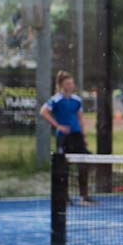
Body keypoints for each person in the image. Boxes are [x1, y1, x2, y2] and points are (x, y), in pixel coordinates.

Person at [39, 70, 93, 205]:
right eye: (67, 83)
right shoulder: (55, 99)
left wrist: (83, 135)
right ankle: (64, 197)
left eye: (72, 83)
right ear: (61, 85)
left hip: (77, 136)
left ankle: (83, 197)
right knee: (63, 167)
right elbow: (43, 112)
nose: (71, 85)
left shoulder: (77, 100)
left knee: (84, 165)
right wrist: (58, 126)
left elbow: (80, 118)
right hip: (63, 137)